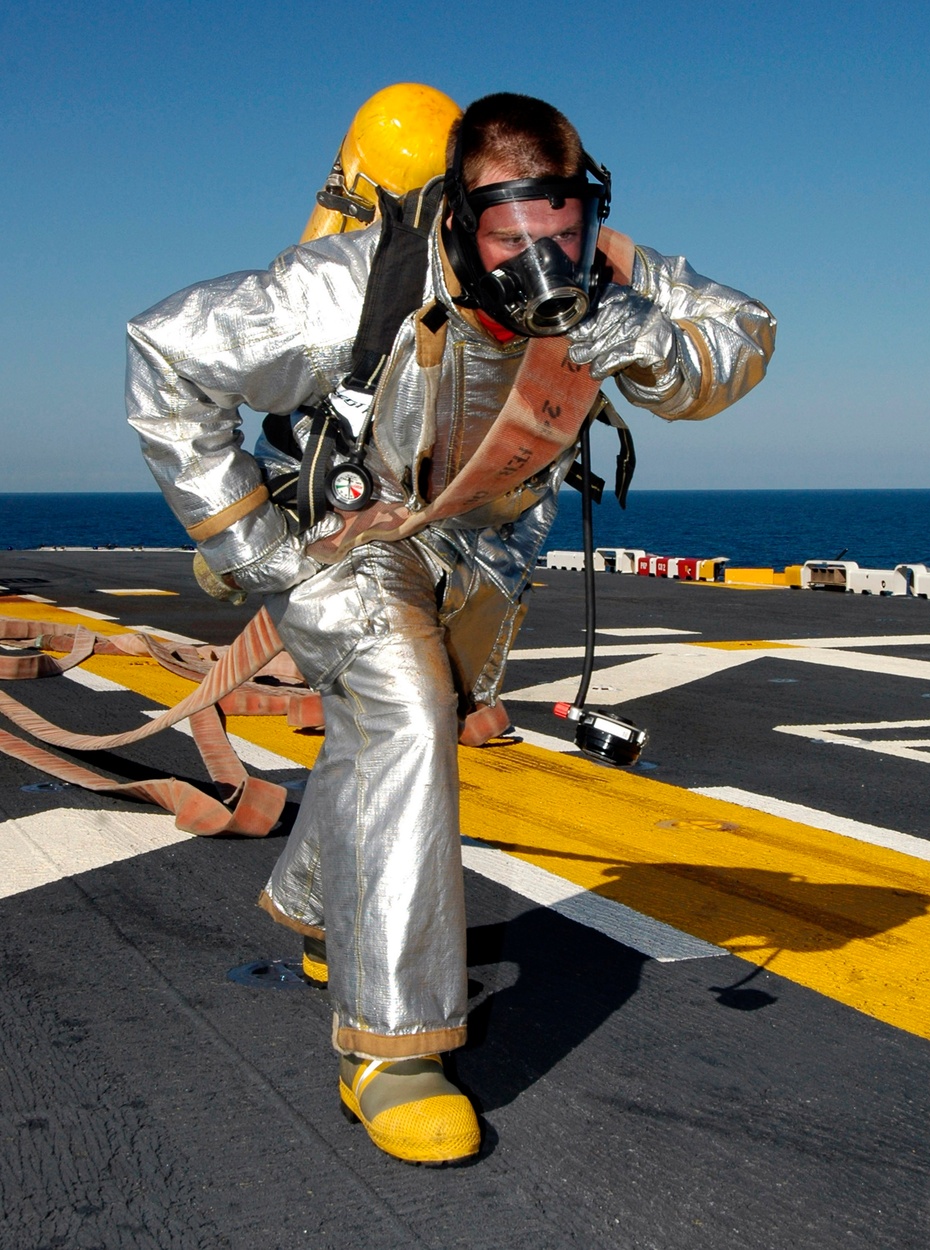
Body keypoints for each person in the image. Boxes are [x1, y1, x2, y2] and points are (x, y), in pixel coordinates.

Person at [126, 91, 776, 1165]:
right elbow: (166, 353)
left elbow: (742, 338)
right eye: (517, 245)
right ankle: (393, 1047)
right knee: (408, 713)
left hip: (484, 540)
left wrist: (655, 345)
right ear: (457, 220)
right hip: (346, 531)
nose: (546, 267)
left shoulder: (602, 263)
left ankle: (319, 903)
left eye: (564, 239)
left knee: (398, 735)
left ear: (585, 205)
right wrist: (248, 542)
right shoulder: (347, 288)